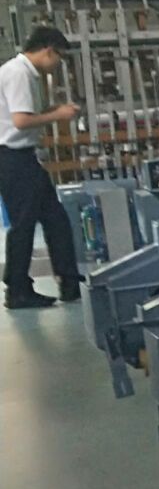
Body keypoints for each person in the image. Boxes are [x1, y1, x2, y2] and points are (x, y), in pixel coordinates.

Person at [0, 26, 83, 309]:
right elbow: (21, 121)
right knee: (24, 224)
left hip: (21, 157)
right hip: (12, 157)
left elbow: (22, 117)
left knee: (54, 217)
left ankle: (70, 281)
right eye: (59, 57)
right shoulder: (19, 73)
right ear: (48, 50)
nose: (57, 64)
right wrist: (57, 115)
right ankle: (17, 289)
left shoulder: (23, 73)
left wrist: (52, 111)